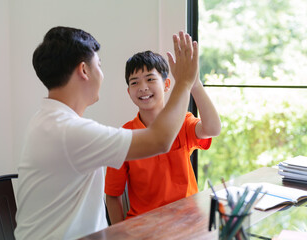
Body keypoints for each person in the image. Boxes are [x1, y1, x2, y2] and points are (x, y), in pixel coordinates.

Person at [14, 26, 199, 240]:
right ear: (84, 70)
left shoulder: (47, 120)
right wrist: (185, 82)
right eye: (99, 65)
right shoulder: (70, 132)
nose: (102, 74)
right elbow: (160, 140)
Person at [104, 51, 221, 224]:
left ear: (167, 84)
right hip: (144, 226)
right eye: (135, 82)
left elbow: (212, 128)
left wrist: (194, 84)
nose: (143, 87)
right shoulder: (124, 136)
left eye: (150, 79)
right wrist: (119, 234)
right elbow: (113, 196)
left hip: (188, 222)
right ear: (129, 92)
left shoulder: (183, 122)